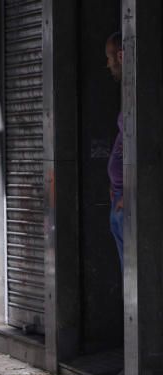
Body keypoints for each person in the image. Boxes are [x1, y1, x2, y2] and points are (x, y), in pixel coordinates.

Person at [106, 32, 124, 268]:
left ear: (121, 56)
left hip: (126, 202)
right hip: (119, 199)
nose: (108, 64)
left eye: (110, 58)